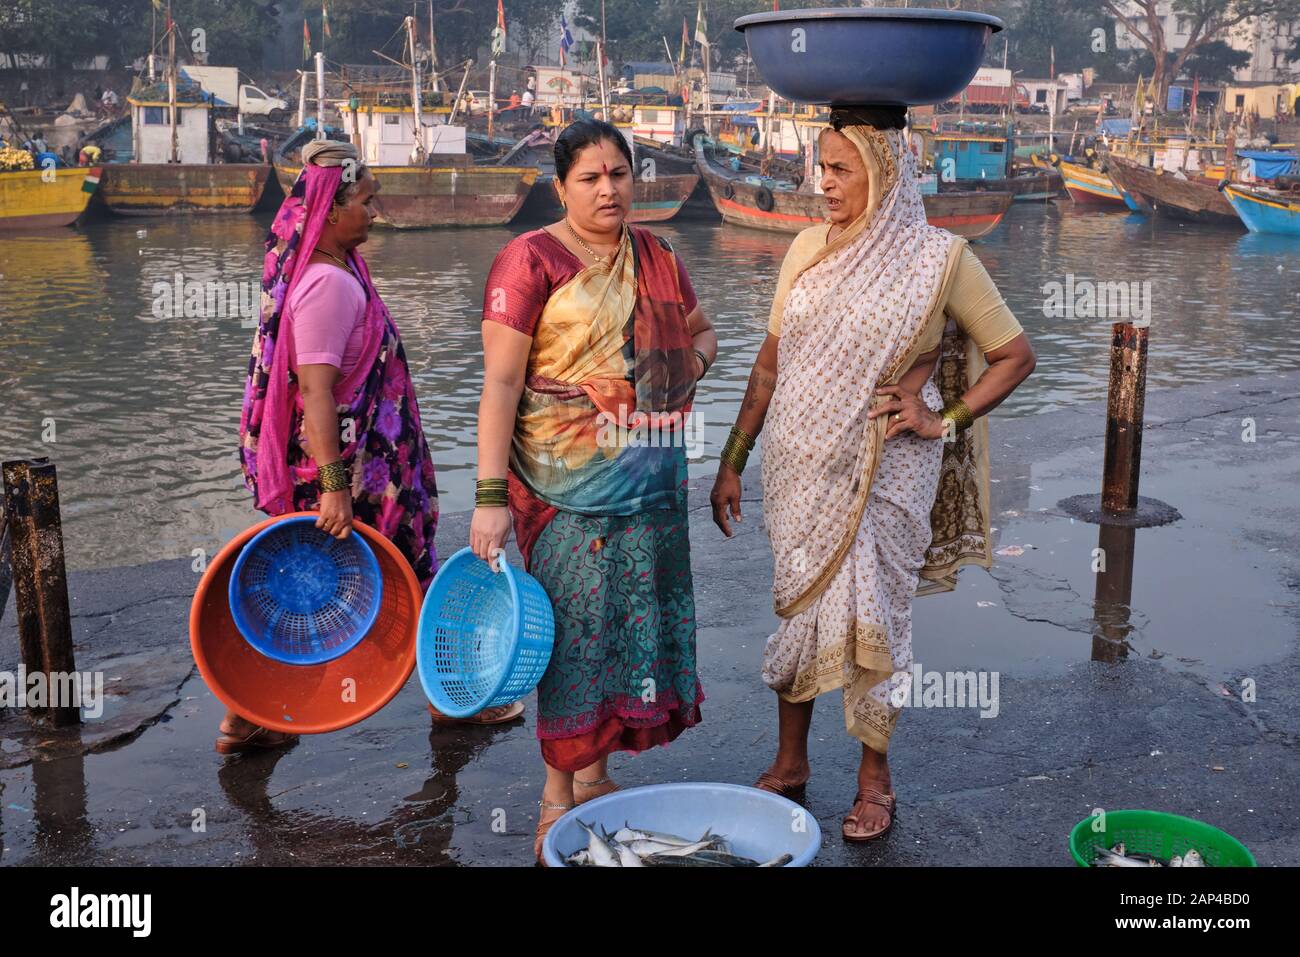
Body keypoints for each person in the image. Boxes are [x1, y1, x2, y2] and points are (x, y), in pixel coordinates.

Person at [710, 106, 1035, 843]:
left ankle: (873, 778)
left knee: (877, 619)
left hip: (887, 471)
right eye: (820, 167)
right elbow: (768, 367)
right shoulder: (805, 250)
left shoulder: (940, 260)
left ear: (885, 175)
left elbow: (1016, 355)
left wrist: (941, 418)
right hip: (799, 469)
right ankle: (790, 761)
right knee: (798, 609)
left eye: (839, 169)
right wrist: (732, 459)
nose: (822, 183)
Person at [475, 119, 716, 862]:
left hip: (649, 481)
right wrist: (488, 497)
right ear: (561, 185)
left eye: (619, 173)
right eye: (591, 177)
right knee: (574, 639)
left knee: (627, 627)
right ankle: (556, 798)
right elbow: (503, 383)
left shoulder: (659, 255)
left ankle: (599, 776)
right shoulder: (528, 261)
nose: (609, 188)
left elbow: (704, 339)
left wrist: (672, 377)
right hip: (562, 485)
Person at [226, 140, 485, 754]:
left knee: (318, 589)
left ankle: (245, 717)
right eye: (366, 202)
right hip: (351, 473)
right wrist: (336, 490)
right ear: (333, 209)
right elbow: (315, 391)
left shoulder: (337, 272)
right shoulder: (329, 287)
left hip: (359, 466)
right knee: (392, 577)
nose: (376, 212)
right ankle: (451, 700)